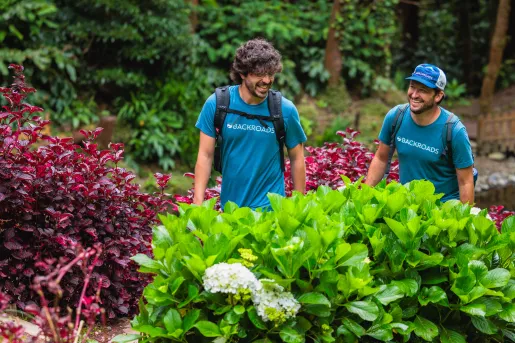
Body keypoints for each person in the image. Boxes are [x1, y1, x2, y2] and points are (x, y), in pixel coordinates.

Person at [193, 38, 307, 210]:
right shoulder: (218, 104)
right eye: (260, 74)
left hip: (269, 212)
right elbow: (205, 155)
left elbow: (297, 158)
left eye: (271, 74)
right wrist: (197, 203)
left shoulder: (285, 110)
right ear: (243, 72)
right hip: (230, 210)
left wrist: (300, 207)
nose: (267, 80)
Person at [365, 63, 475, 204]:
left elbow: (466, 182)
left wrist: (464, 221)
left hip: (443, 213)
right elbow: (381, 158)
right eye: (412, 87)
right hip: (408, 208)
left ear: (438, 96)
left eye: (423, 90)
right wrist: (364, 197)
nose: (414, 95)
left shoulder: (454, 131)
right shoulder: (396, 117)